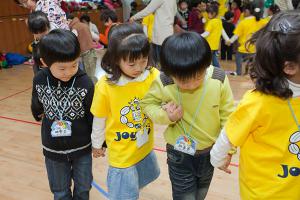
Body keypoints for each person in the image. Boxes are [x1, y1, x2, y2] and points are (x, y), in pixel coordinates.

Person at [210, 10, 300, 200]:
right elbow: (227, 137)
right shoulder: (257, 102)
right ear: (290, 67)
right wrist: (219, 158)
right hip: (265, 192)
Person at [140, 32, 235, 200]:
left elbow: (228, 117)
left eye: (197, 77)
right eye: (183, 81)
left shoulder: (218, 78)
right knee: (185, 197)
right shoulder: (165, 81)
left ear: (205, 66)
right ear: (170, 73)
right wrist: (166, 116)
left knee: (200, 194)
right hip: (179, 154)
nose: (191, 85)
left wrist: (227, 150)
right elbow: (147, 104)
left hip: (210, 151)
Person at [90, 23, 160, 200]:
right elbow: (99, 117)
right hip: (122, 153)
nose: (139, 68)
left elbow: (168, 90)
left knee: (139, 182)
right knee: (123, 195)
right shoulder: (106, 86)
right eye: (131, 63)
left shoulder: (151, 75)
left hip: (143, 146)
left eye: (143, 61)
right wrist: (97, 143)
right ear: (115, 60)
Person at [31, 29, 94, 200]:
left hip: (82, 148)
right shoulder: (39, 80)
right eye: (62, 68)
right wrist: (37, 113)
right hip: (53, 148)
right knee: (60, 191)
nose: (68, 72)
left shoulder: (85, 83)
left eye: (74, 65)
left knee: (83, 188)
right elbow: (36, 102)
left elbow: (92, 115)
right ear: (44, 62)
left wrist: (98, 142)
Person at [130, 0, 177, 67]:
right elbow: (174, 12)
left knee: (158, 62)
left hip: (160, 34)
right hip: (169, 32)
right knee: (167, 60)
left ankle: (160, 76)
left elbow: (148, 10)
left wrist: (133, 17)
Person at [226, 4, 266, 75]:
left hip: (243, 49)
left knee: (238, 56)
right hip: (254, 50)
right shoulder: (262, 21)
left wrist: (230, 41)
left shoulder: (243, 22)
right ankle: (251, 73)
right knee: (252, 67)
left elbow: (236, 35)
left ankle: (239, 72)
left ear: (247, 11)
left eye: (243, 12)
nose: (243, 13)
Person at [67, 14, 97, 83]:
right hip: (91, 52)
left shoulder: (75, 28)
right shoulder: (83, 25)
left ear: (69, 20)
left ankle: (91, 91)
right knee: (91, 74)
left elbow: (73, 41)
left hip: (85, 55)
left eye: (66, 21)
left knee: (88, 76)